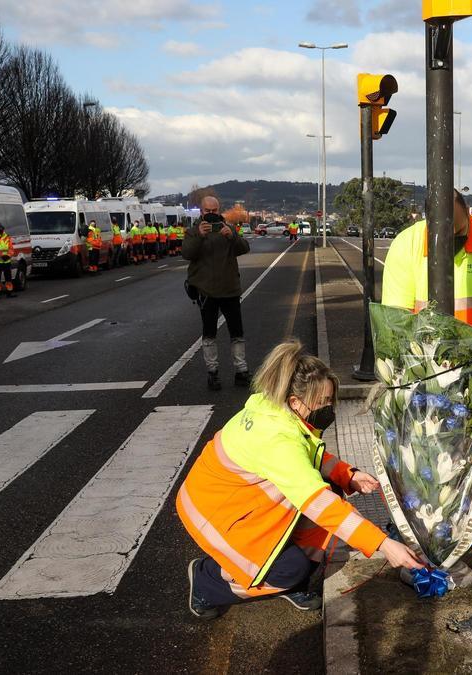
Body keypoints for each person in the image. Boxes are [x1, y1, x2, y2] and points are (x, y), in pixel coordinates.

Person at [176, 340, 425, 618]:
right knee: (289, 569)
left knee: (331, 489)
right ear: (295, 401)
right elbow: (320, 504)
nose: (328, 408)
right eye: (323, 402)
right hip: (216, 516)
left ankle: (291, 575)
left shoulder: (276, 409)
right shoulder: (277, 438)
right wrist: (383, 544)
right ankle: (208, 580)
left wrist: (348, 475)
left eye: (330, 400)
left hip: (236, 502)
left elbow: (307, 454)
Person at [382, 188, 472, 366]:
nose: (451, 241)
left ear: (468, 211)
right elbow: (397, 315)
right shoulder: (405, 243)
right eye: (444, 236)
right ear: (428, 221)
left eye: (459, 232)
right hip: (424, 358)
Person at [184, 196, 253, 390]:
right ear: (201, 211)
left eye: (214, 210)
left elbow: (244, 248)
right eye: (208, 211)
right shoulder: (193, 231)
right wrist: (199, 235)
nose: (211, 214)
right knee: (209, 334)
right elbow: (187, 253)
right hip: (206, 291)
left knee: (237, 333)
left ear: (219, 210)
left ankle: (241, 371)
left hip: (230, 289)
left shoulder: (228, 228)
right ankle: (212, 373)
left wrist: (232, 237)